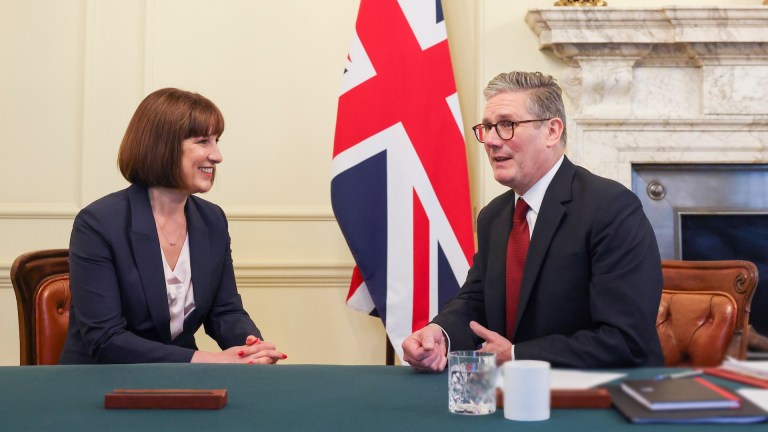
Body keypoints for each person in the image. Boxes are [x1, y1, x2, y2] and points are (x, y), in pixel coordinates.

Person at [402, 71, 663, 371]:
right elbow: (477, 301)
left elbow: (625, 340)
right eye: (487, 127)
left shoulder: (611, 208)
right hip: (512, 392)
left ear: (552, 131)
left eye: (507, 125)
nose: (490, 140)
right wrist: (440, 334)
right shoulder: (493, 216)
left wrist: (516, 355)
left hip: (599, 392)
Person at [59, 88, 285, 364]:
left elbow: (225, 311)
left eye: (216, 141)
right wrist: (208, 360)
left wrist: (251, 349)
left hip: (181, 377)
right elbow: (106, 340)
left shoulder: (212, 219)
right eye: (203, 141)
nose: (217, 156)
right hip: (103, 380)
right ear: (162, 146)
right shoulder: (98, 223)